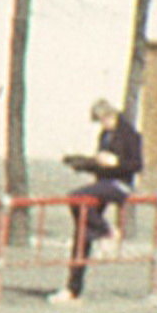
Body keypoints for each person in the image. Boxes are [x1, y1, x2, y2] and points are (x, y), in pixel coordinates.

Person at [59, 97, 142, 301]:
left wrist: (116, 162)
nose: (102, 124)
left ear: (111, 115)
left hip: (119, 185)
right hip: (102, 185)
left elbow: (136, 165)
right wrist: (81, 163)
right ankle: (73, 289)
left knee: (76, 197)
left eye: (104, 119)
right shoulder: (105, 135)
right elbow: (100, 164)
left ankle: (107, 230)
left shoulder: (130, 135)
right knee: (82, 232)